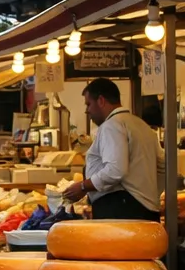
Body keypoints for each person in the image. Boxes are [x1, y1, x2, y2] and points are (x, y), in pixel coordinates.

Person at [62, 78, 163, 220]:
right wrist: (148, 195)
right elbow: (163, 166)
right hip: (145, 211)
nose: (87, 111)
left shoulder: (112, 125)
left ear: (101, 101)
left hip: (122, 209)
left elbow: (116, 169)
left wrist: (83, 187)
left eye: (89, 104)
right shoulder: (142, 125)